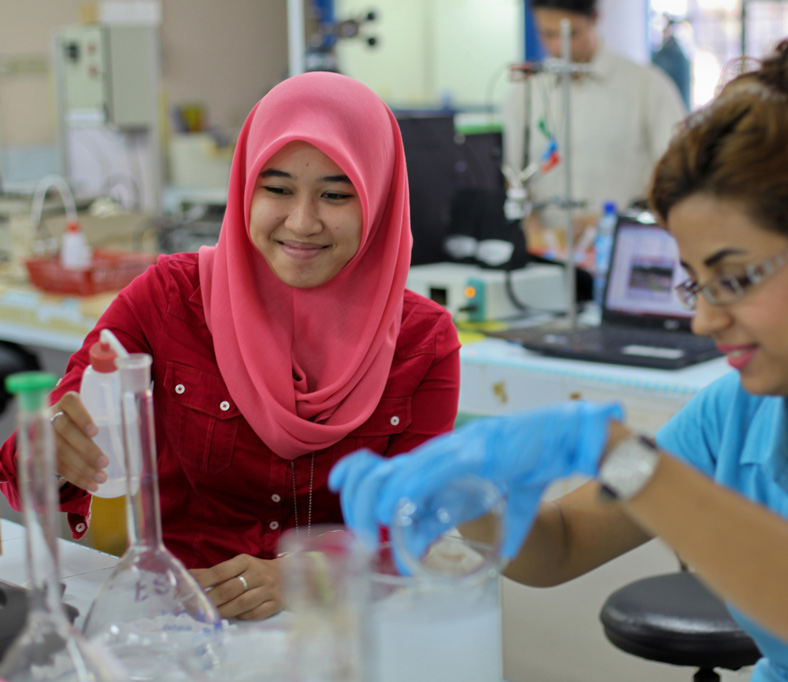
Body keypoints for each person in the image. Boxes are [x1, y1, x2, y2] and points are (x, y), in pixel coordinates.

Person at [330, 40, 788, 681]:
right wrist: (474, 493)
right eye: (696, 282)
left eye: (734, 278)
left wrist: (615, 453)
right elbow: (563, 548)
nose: (702, 318)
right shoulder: (738, 415)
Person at [0, 72, 461, 621]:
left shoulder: (424, 343)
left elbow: (413, 521)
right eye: (277, 188)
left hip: (333, 627)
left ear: (380, 200)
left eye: (336, 195)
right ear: (246, 185)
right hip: (174, 621)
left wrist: (309, 573)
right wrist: (50, 454)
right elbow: (24, 475)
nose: (302, 221)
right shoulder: (167, 298)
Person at [504, 0, 686, 259]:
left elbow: (678, 176)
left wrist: (619, 221)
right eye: (548, 34)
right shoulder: (525, 94)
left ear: (596, 19)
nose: (559, 46)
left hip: (625, 257)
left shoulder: (648, 87)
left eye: (572, 34)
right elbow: (511, 177)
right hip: (545, 260)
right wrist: (532, 227)